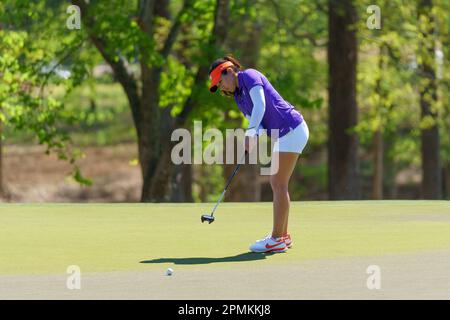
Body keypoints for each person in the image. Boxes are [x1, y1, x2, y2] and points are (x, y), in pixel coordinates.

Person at [208, 55, 309, 253]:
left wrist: (251, 131)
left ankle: (276, 239)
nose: (222, 88)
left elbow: (261, 105)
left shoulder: (249, 76)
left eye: (220, 82)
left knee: (278, 183)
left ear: (229, 71)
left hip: (292, 128)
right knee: (279, 183)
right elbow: (259, 124)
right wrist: (253, 137)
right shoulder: (239, 98)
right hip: (285, 134)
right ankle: (283, 236)